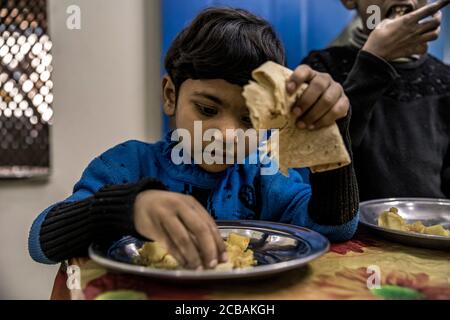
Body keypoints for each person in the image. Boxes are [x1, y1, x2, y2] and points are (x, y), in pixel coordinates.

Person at [29, 7, 359, 270]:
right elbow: (41, 242)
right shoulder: (128, 165)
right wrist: (128, 207)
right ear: (170, 95)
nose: (228, 134)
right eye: (207, 109)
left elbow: (333, 229)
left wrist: (329, 138)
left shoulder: (268, 176)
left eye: (249, 119)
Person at [299, 0, 450, 201]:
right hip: (354, 229)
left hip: (428, 228)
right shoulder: (322, 69)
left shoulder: (445, 81)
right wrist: (374, 62)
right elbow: (323, 160)